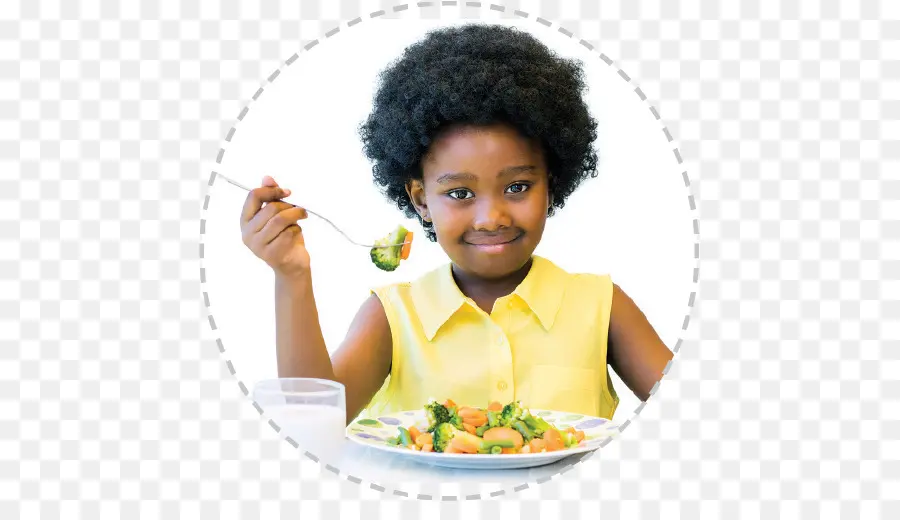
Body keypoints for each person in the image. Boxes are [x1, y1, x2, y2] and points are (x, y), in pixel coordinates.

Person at [239, 23, 673, 425]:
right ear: (420, 199)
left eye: (518, 186)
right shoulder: (395, 315)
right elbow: (312, 418)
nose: (492, 218)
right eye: (460, 194)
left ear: (551, 184)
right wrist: (291, 276)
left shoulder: (602, 305)